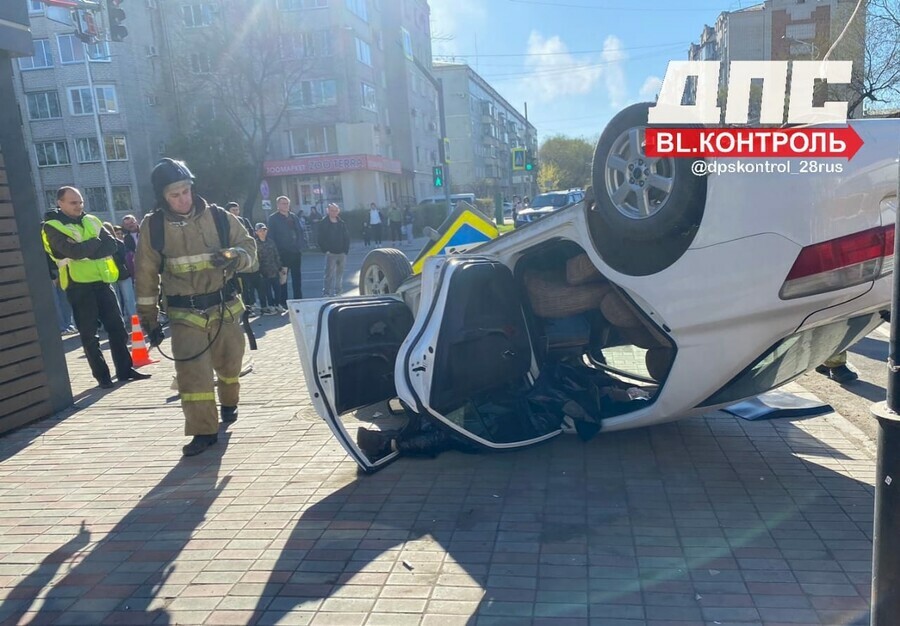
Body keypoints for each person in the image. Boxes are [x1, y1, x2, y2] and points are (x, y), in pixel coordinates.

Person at [134, 158, 258, 457]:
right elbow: (146, 274)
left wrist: (234, 256)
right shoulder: (153, 226)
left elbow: (250, 250)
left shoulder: (219, 217)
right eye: (174, 194)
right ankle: (203, 431)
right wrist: (148, 320)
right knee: (193, 377)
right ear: (163, 197)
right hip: (184, 314)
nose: (182, 198)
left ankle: (229, 403)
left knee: (230, 366)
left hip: (224, 307)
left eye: (185, 190)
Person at [42, 186, 150, 389]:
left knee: (117, 329)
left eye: (80, 202)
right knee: (89, 334)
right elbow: (72, 252)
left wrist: (87, 248)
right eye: (73, 202)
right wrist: (93, 245)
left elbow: (112, 245)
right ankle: (103, 377)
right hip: (78, 284)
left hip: (102, 281)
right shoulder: (52, 226)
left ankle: (125, 370)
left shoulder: (92, 220)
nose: (79, 206)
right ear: (60, 203)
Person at [267, 196, 304, 306]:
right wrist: (276, 252)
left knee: (297, 277)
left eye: (287, 203)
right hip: (282, 253)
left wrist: (299, 245)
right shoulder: (273, 218)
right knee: (282, 279)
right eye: (283, 203)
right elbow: (271, 236)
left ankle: (298, 300)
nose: (285, 205)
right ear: (278, 205)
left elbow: (300, 232)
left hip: (295, 252)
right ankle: (283, 302)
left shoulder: (294, 217)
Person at [226, 202, 259, 313]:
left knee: (248, 284)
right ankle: (241, 306)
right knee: (237, 285)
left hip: (244, 257)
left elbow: (251, 236)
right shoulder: (224, 222)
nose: (236, 212)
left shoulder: (244, 221)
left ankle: (251, 304)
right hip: (232, 259)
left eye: (237, 209)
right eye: (233, 210)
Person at [103, 222, 136, 325]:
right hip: (112, 275)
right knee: (116, 300)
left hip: (122, 274)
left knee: (128, 299)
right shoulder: (101, 244)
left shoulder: (118, 243)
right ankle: (121, 321)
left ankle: (133, 320)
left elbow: (123, 259)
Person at [317, 203, 350, 297]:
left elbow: (346, 237)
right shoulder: (323, 222)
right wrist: (326, 250)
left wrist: (345, 250)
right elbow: (320, 238)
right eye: (332, 210)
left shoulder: (341, 222)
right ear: (328, 211)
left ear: (338, 211)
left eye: (336, 210)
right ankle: (326, 292)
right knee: (329, 274)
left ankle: (338, 291)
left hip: (342, 252)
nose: (334, 212)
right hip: (330, 253)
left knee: (340, 273)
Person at [253, 222, 283, 315]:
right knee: (267, 290)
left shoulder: (271, 241)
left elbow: (276, 254)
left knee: (277, 289)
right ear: (256, 232)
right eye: (260, 231)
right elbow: (255, 258)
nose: (262, 232)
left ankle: (277, 304)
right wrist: (258, 270)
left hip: (274, 269)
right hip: (263, 271)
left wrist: (279, 266)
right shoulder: (255, 244)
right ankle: (270, 306)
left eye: (264, 230)